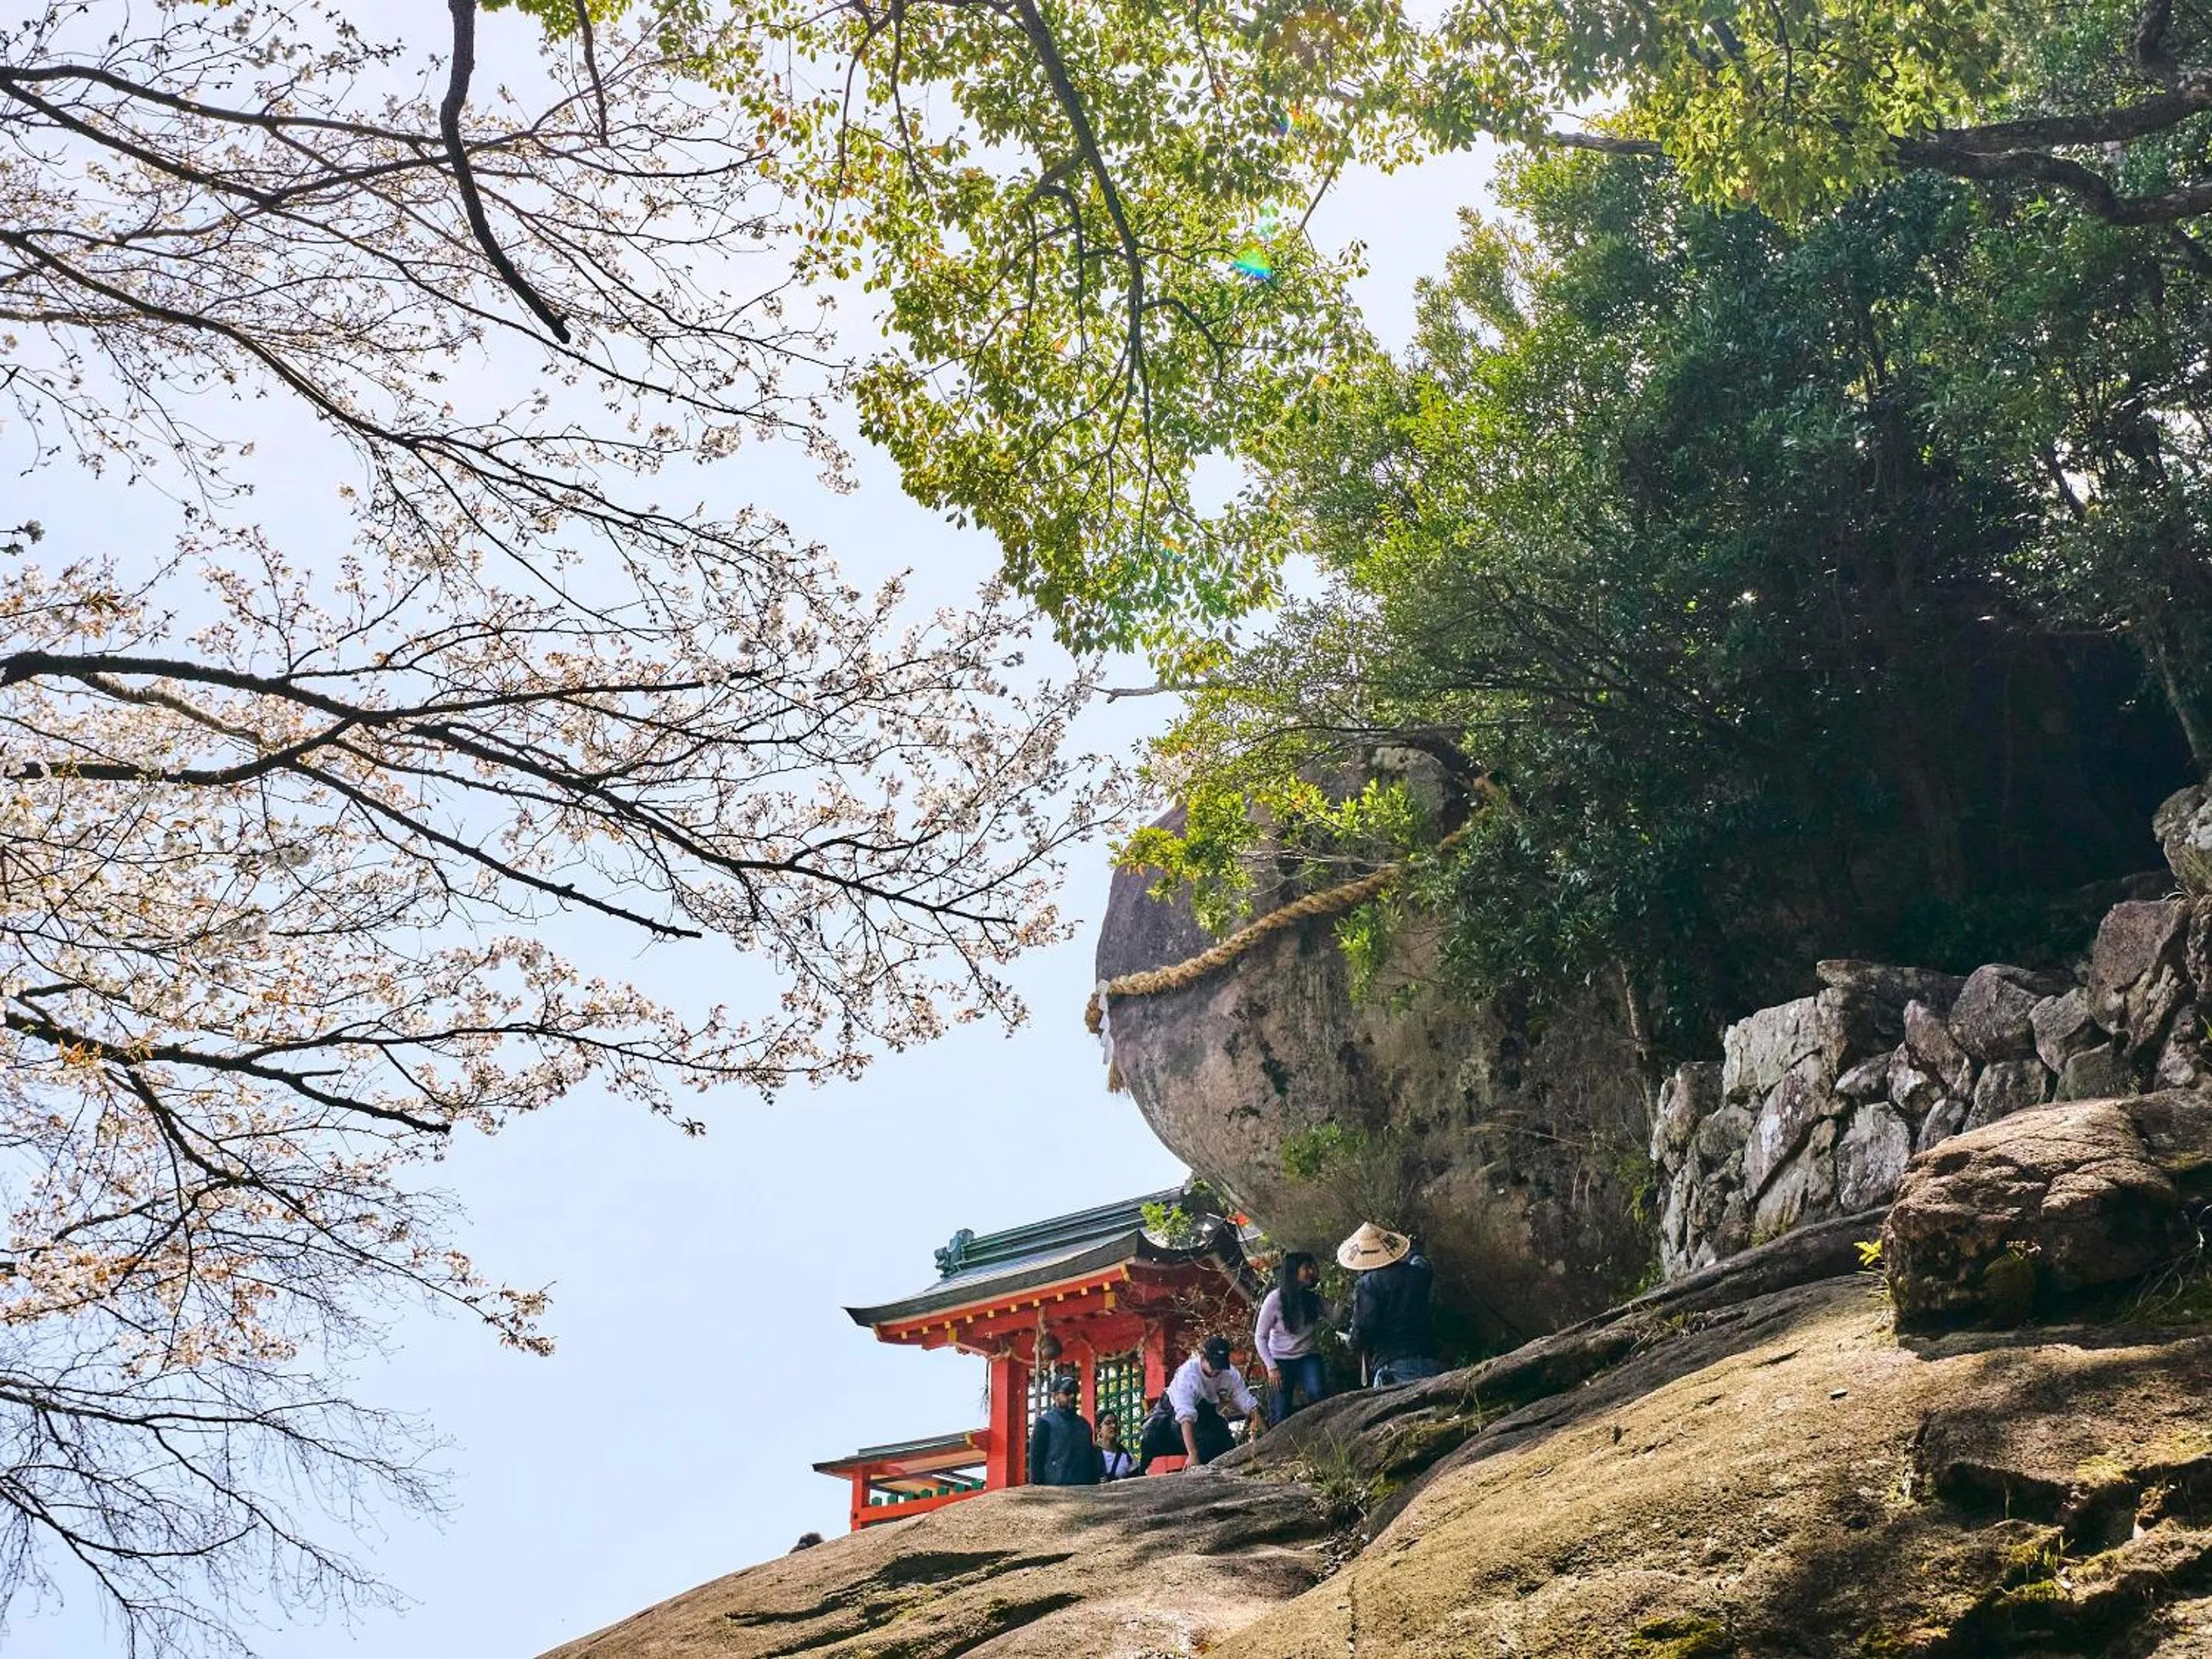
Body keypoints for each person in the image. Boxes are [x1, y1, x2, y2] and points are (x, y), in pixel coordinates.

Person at [1339, 1221, 1441, 1387]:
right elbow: (1423, 1263)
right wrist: (1414, 1250)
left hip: (1392, 1363)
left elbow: (1364, 1326)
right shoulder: (1417, 1274)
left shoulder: (1367, 1285)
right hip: (1428, 1356)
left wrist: (1352, 1341)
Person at [1141, 1334, 1260, 1469]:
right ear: (1203, 1358)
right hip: (1172, 1415)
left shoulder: (1229, 1374)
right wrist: (1192, 1454)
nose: (1217, 1371)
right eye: (1214, 1365)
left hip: (1205, 1413)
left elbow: (1246, 1401)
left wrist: (1261, 1429)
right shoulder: (1188, 1376)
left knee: (1225, 1443)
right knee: (1152, 1439)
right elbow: (1186, 1417)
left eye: (1221, 1366)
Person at [1254, 1250, 1330, 1425]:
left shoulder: (1311, 1298)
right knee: (1280, 1410)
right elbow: (1260, 1336)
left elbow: (1335, 1316)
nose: (1311, 1271)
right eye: (1306, 1268)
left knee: (1317, 1394)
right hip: (1280, 1359)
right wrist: (1271, 1367)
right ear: (1294, 1271)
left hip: (1308, 1356)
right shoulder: (1275, 1300)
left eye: (1312, 1267)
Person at [1027, 1372, 1103, 1485]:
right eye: (1067, 1393)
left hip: (1082, 1492)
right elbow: (1036, 1462)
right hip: (1054, 1492)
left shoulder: (1084, 1426)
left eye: (1075, 1392)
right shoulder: (1044, 1423)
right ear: (1055, 1396)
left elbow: (1090, 1462)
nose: (1072, 1396)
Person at [1095, 1409, 1137, 1480]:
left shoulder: (1127, 1456)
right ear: (1099, 1430)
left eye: (1115, 1422)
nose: (1113, 1426)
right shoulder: (1090, 1454)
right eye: (1108, 1423)